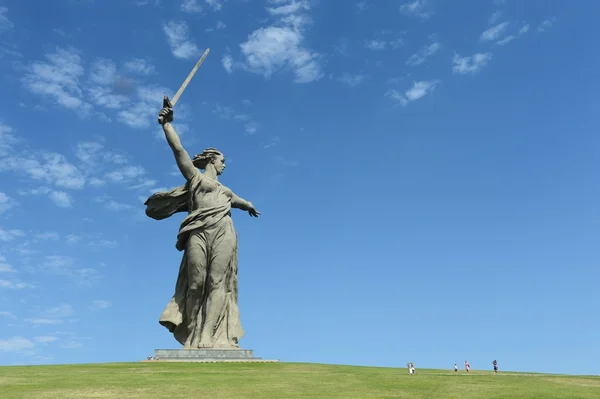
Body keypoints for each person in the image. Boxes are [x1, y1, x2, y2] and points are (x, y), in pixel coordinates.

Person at [146, 98, 260, 349]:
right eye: (222, 160)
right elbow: (179, 152)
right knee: (197, 283)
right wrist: (167, 125)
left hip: (224, 231)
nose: (224, 164)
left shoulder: (226, 191)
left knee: (217, 282)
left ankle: (208, 335)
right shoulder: (197, 180)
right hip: (198, 232)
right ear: (211, 160)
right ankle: (193, 334)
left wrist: (249, 205)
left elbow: (239, 201)